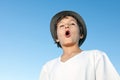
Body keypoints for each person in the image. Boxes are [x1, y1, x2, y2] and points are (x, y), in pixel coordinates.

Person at [39, 10, 120, 80]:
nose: (66, 26)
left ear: (81, 34)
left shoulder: (96, 57)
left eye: (72, 24)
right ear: (56, 38)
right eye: (61, 25)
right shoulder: (48, 67)